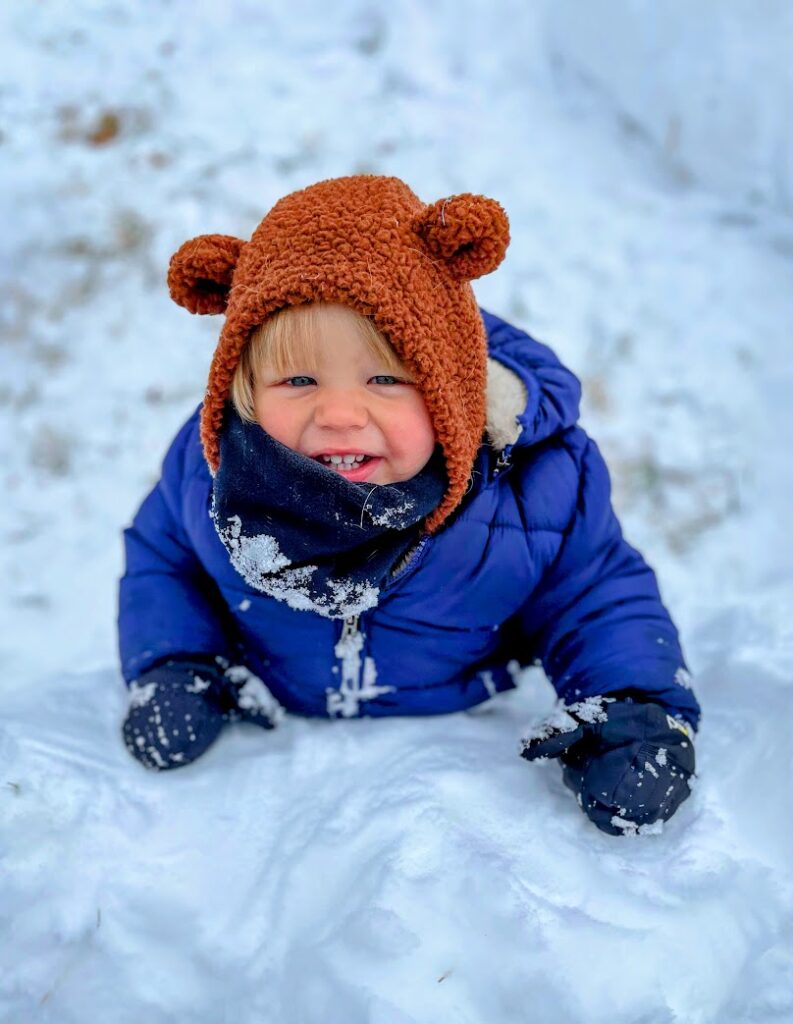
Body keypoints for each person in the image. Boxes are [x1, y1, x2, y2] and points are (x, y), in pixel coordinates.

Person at [118, 175, 699, 835]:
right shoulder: (208, 473)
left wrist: (628, 708)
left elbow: (594, 593)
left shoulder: (532, 484)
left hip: (460, 764)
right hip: (264, 786)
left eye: (386, 379)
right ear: (244, 390)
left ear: (451, 387)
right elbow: (163, 561)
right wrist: (175, 663)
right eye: (298, 380)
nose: (338, 414)